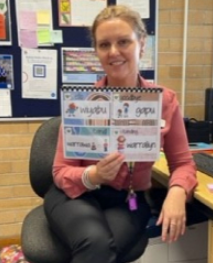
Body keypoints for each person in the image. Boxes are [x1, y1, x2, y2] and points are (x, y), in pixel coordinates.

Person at [44, 4, 197, 263]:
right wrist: (94, 175)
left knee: (102, 250)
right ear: (97, 52)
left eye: (123, 41)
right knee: (96, 244)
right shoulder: (81, 102)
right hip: (75, 194)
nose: (114, 52)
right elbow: (60, 172)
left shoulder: (165, 102)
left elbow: (182, 164)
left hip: (127, 199)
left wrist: (178, 191)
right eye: (104, 45)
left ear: (142, 44)